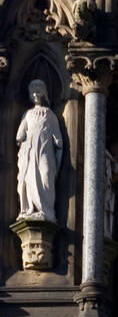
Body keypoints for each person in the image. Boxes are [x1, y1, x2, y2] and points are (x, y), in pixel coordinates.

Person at [16, 80, 63, 223]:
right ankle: (31, 209)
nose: (35, 94)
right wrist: (26, 137)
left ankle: (47, 210)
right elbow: (19, 135)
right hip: (30, 152)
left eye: (38, 91)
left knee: (46, 173)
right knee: (30, 177)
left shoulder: (49, 113)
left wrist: (56, 140)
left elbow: (58, 138)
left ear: (44, 93)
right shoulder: (28, 114)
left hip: (45, 151)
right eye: (33, 92)